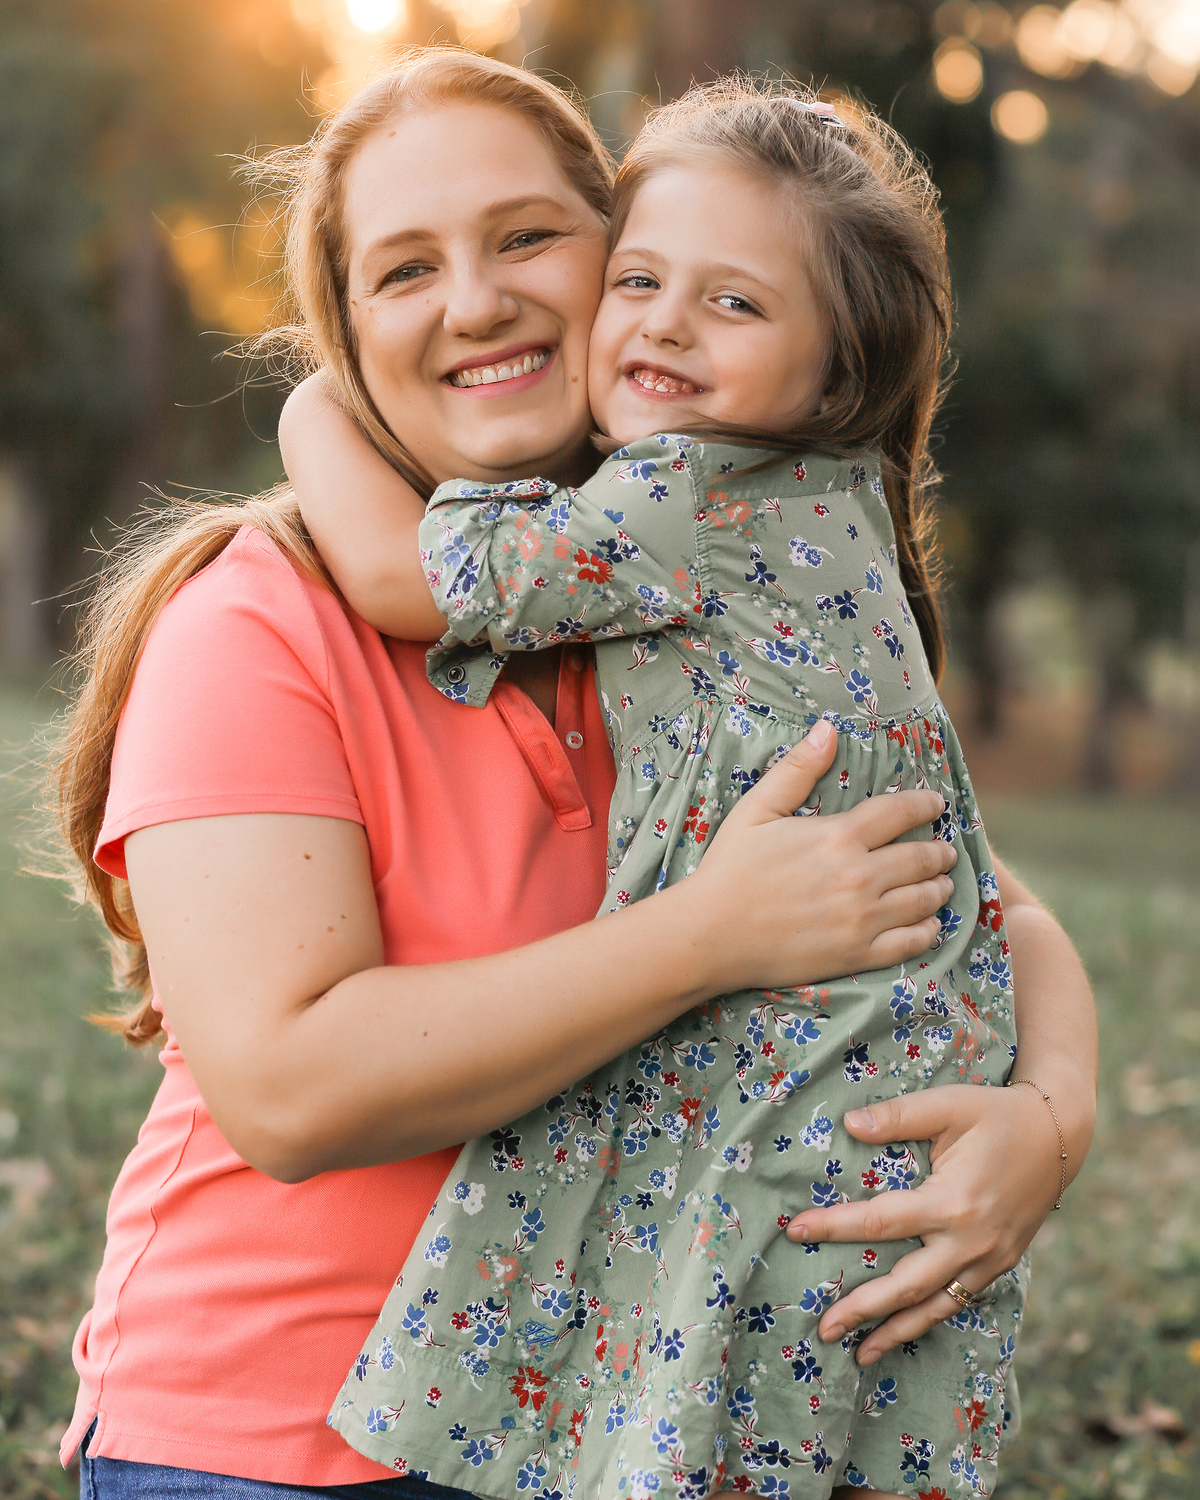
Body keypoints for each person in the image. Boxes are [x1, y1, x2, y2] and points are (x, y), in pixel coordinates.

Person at [47, 49, 1094, 1500]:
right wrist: (709, 937)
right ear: (344, 334)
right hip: (277, 1444)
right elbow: (289, 1092)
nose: (477, 300)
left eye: (529, 236)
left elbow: (980, 897)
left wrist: (1048, 1123)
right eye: (403, 271)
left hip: (601, 1423)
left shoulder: (698, 588)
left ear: (620, 249)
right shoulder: (256, 622)